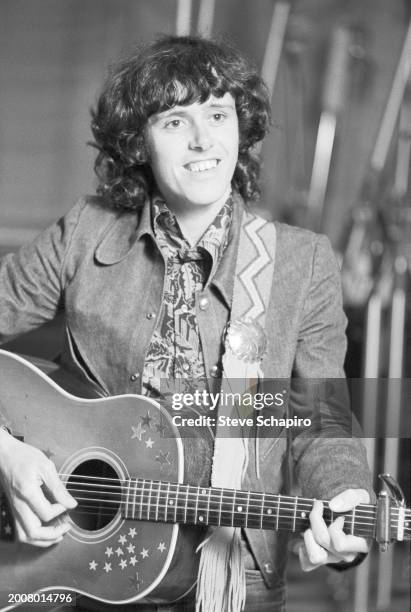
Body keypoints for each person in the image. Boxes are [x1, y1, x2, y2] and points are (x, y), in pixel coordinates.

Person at [0, 35, 373, 611]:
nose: (204, 140)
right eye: (175, 121)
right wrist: (6, 452)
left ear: (240, 130)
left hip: (235, 578)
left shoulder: (303, 262)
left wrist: (344, 502)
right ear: (138, 143)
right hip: (88, 567)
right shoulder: (85, 232)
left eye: (218, 115)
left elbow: (323, 423)